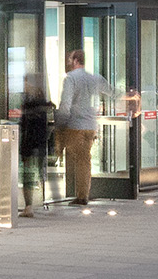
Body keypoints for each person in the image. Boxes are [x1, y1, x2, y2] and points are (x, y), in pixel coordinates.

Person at [53, 51, 115, 206]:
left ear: (75, 61)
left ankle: (81, 196)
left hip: (76, 126)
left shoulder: (71, 78)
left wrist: (60, 124)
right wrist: (130, 95)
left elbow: (66, 104)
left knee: (80, 159)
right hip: (90, 127)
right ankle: (82, 194)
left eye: (70, 59)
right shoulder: (94, 78)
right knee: (84, 159)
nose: (68, 62)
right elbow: (112, 91)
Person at [12, 74, 57, 214]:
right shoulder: (44, 102)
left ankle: (29, 206)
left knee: (28, 175)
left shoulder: (30, 102)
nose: (24, 86)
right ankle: (36, 204)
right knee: (36, 173)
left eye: (26, 83)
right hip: (40, 143)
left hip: (30, 143)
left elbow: (27, 124)